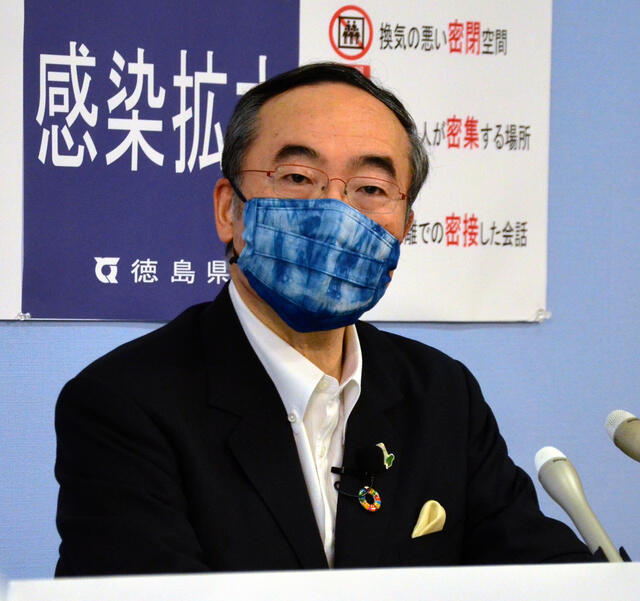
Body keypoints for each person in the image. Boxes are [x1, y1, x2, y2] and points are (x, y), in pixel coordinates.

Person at [54, 62, 591, 576]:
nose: (336, 214)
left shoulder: (441, 395)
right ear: (228, 209)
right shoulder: (124, 404)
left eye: (371, 189)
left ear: (405, 226)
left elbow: (540, 571)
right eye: (297, 177)